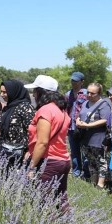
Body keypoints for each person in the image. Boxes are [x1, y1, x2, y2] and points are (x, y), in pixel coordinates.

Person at [25, 75, 71, 207]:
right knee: (61, 199)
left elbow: (42, 142)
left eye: (35, 91)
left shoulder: (45, 110)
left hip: (49, 161)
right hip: (63, 160)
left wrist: (32, 166)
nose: (33, 95)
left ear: (41, 92)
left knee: (43, 203)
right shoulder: (61, 110)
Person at [75, 82, 112, 190]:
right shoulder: (85, 103)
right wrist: (78, 121)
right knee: (90, 161)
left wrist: (89, 125)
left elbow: (105, 120)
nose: (89, 95)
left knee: (101, 161)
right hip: (85, 138)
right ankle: (93, 181)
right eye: (88, 92)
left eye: (92, 93)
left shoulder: (104, 104)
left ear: (99, 93)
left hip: (98, 138)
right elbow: (80, 115)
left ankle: (101, 184)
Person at [0, 79, 35, 168]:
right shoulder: (8, 107)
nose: (2, 95)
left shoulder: (25, 108)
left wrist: (29, 151)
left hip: (19, 152)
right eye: (1, 92)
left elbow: (32, 131)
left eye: (5, 92)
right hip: (5, 150)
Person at [66, 71, 87, 177]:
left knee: (85, 151)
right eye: (72, 80)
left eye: (76, 81)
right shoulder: (68, 94)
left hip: (83, 127)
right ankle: (76, 172)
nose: (73, 82)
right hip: (71, 127)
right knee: (74, 151)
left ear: (82, 82)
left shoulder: (86, 93)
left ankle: (87, 173)